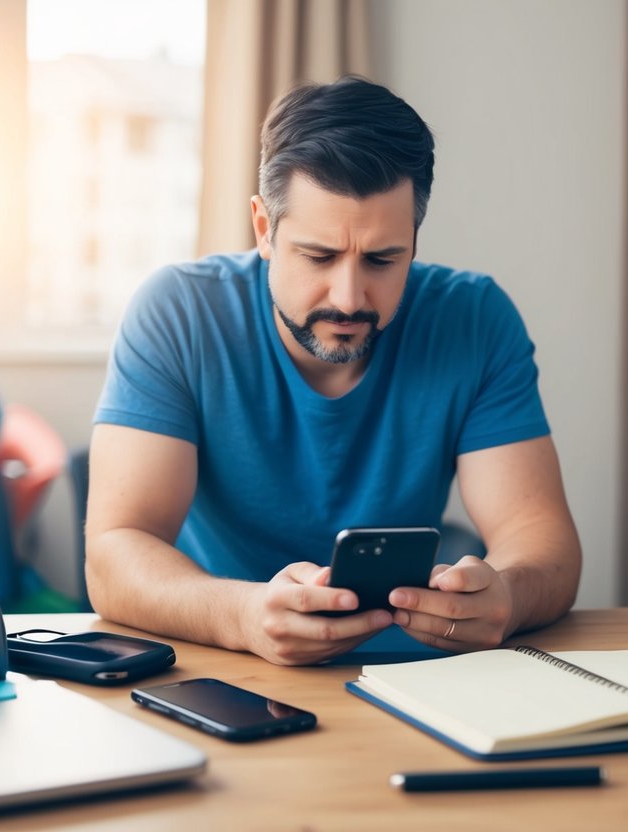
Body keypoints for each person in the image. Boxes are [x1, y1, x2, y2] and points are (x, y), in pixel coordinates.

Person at [86, 76, 581, 666]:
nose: (349, 298)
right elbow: (113, 553)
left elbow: (544, 545)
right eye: (319, 256)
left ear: (415, 242)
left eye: (381, 259)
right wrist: (243, 615)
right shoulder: (178, 312)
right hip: (223, 660)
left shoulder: (475, 318)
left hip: (414, 670)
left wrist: (507, 595)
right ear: (264, 229)